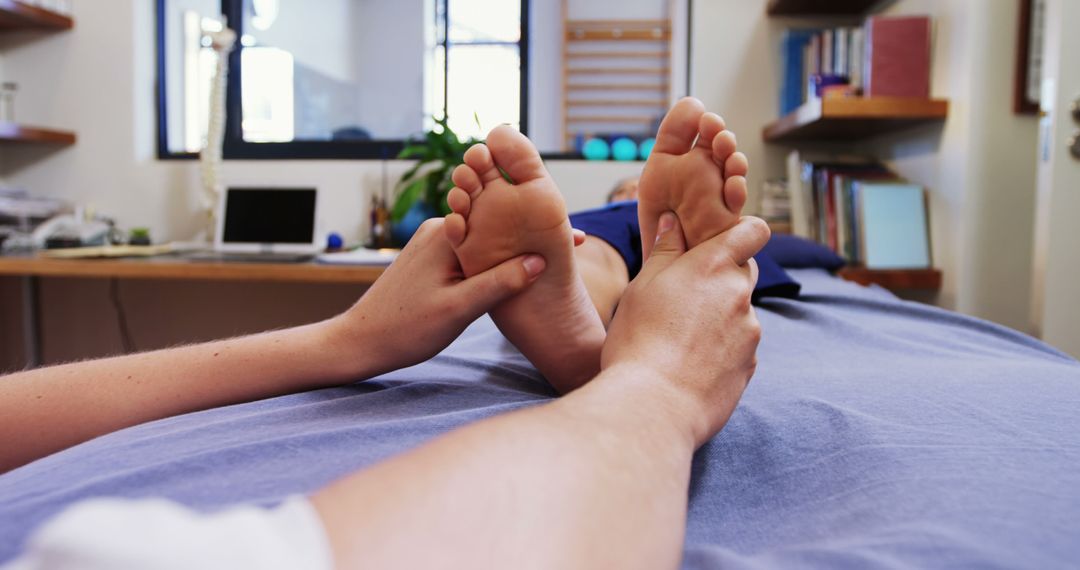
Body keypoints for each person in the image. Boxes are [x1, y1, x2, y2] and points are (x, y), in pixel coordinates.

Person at [0, 98, 769, 569]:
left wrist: (345, 341)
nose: (635, 185)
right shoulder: (603, 215)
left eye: (636, 190)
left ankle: (606, 307)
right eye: (631, 186)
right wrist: (663, 383)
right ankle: (615, 298)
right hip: (600, 235)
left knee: (584, 250)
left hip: (612, 232)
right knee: (590, 251)